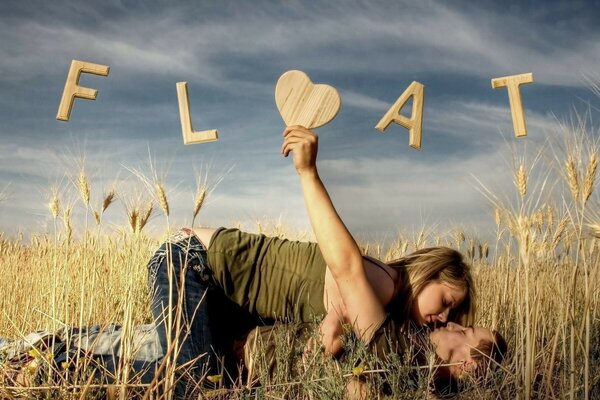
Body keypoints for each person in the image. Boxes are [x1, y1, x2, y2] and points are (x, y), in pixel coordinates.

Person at [146, 125, 476, 394]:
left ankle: (99, 344)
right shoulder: (384, 283)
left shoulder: (384, 306)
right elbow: (343, 263)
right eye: (446, 300)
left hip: (224, 292)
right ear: (428, 273)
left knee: (214, 373)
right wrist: (308, 173)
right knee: (192, 383)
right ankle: (93, 359)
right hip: (194, 264)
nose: (445, 317)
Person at [242, 320, 507, 398]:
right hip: (254, 340)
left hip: (250, 365)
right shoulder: (409, 336)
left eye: (464, 332)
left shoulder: (414, 381)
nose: (452, 324)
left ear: (469, 365)